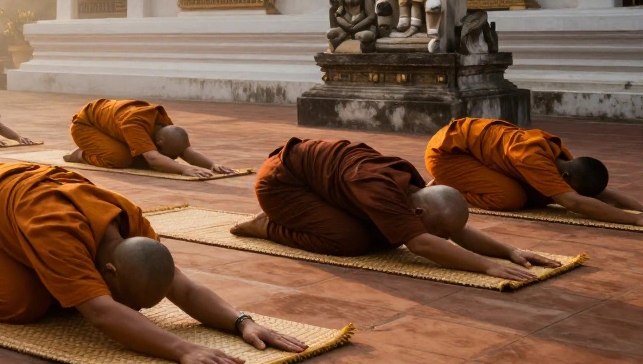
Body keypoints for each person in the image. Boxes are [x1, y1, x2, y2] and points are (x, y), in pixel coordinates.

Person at [0, 162, 307, 364]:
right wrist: (183, 348)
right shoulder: (57, 232)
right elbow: (101, 313)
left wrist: (242, 322)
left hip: (18, 213)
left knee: (64, 294)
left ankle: (2, 263)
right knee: (23, 303)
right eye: (128, 301)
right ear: (111, 272)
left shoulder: (133, 223)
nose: (134, 310)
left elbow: (182, 288)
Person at [230, 137, 561, 281]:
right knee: (351, 241)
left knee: (384, 237)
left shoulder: (414, 192)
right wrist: (487, 267)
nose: (443, 240)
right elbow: (421, 243)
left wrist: (509, 252)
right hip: (281, 186)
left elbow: (452, 229)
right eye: (438, 234)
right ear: (418, 215)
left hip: (317, 185)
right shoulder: (380, 188)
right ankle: (266, 226)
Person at [425, 118, 643, 226]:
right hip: (446, 155)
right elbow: (575, 202)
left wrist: (639, 208)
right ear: (566, 178)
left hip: (471, 151)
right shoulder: (533, 159)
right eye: (572, 188)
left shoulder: (561, 158)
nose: (571, 191)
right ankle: (450, 185)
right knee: (512, 198)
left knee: (537, 193)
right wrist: (633, 220)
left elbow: (597, 192)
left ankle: (461, 178)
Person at [65, 99, 232, 178]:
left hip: (110, 127)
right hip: (85, 126)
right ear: (159, 143)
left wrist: (212, 164)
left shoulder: (164, 123)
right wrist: (184, 169)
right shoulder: (134, 124)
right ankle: (80, 154)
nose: (173, 158)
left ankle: (101, 147)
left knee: (140, 158)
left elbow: (186, 151)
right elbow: (153, 159)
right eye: (169, 155)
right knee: (121, 159)